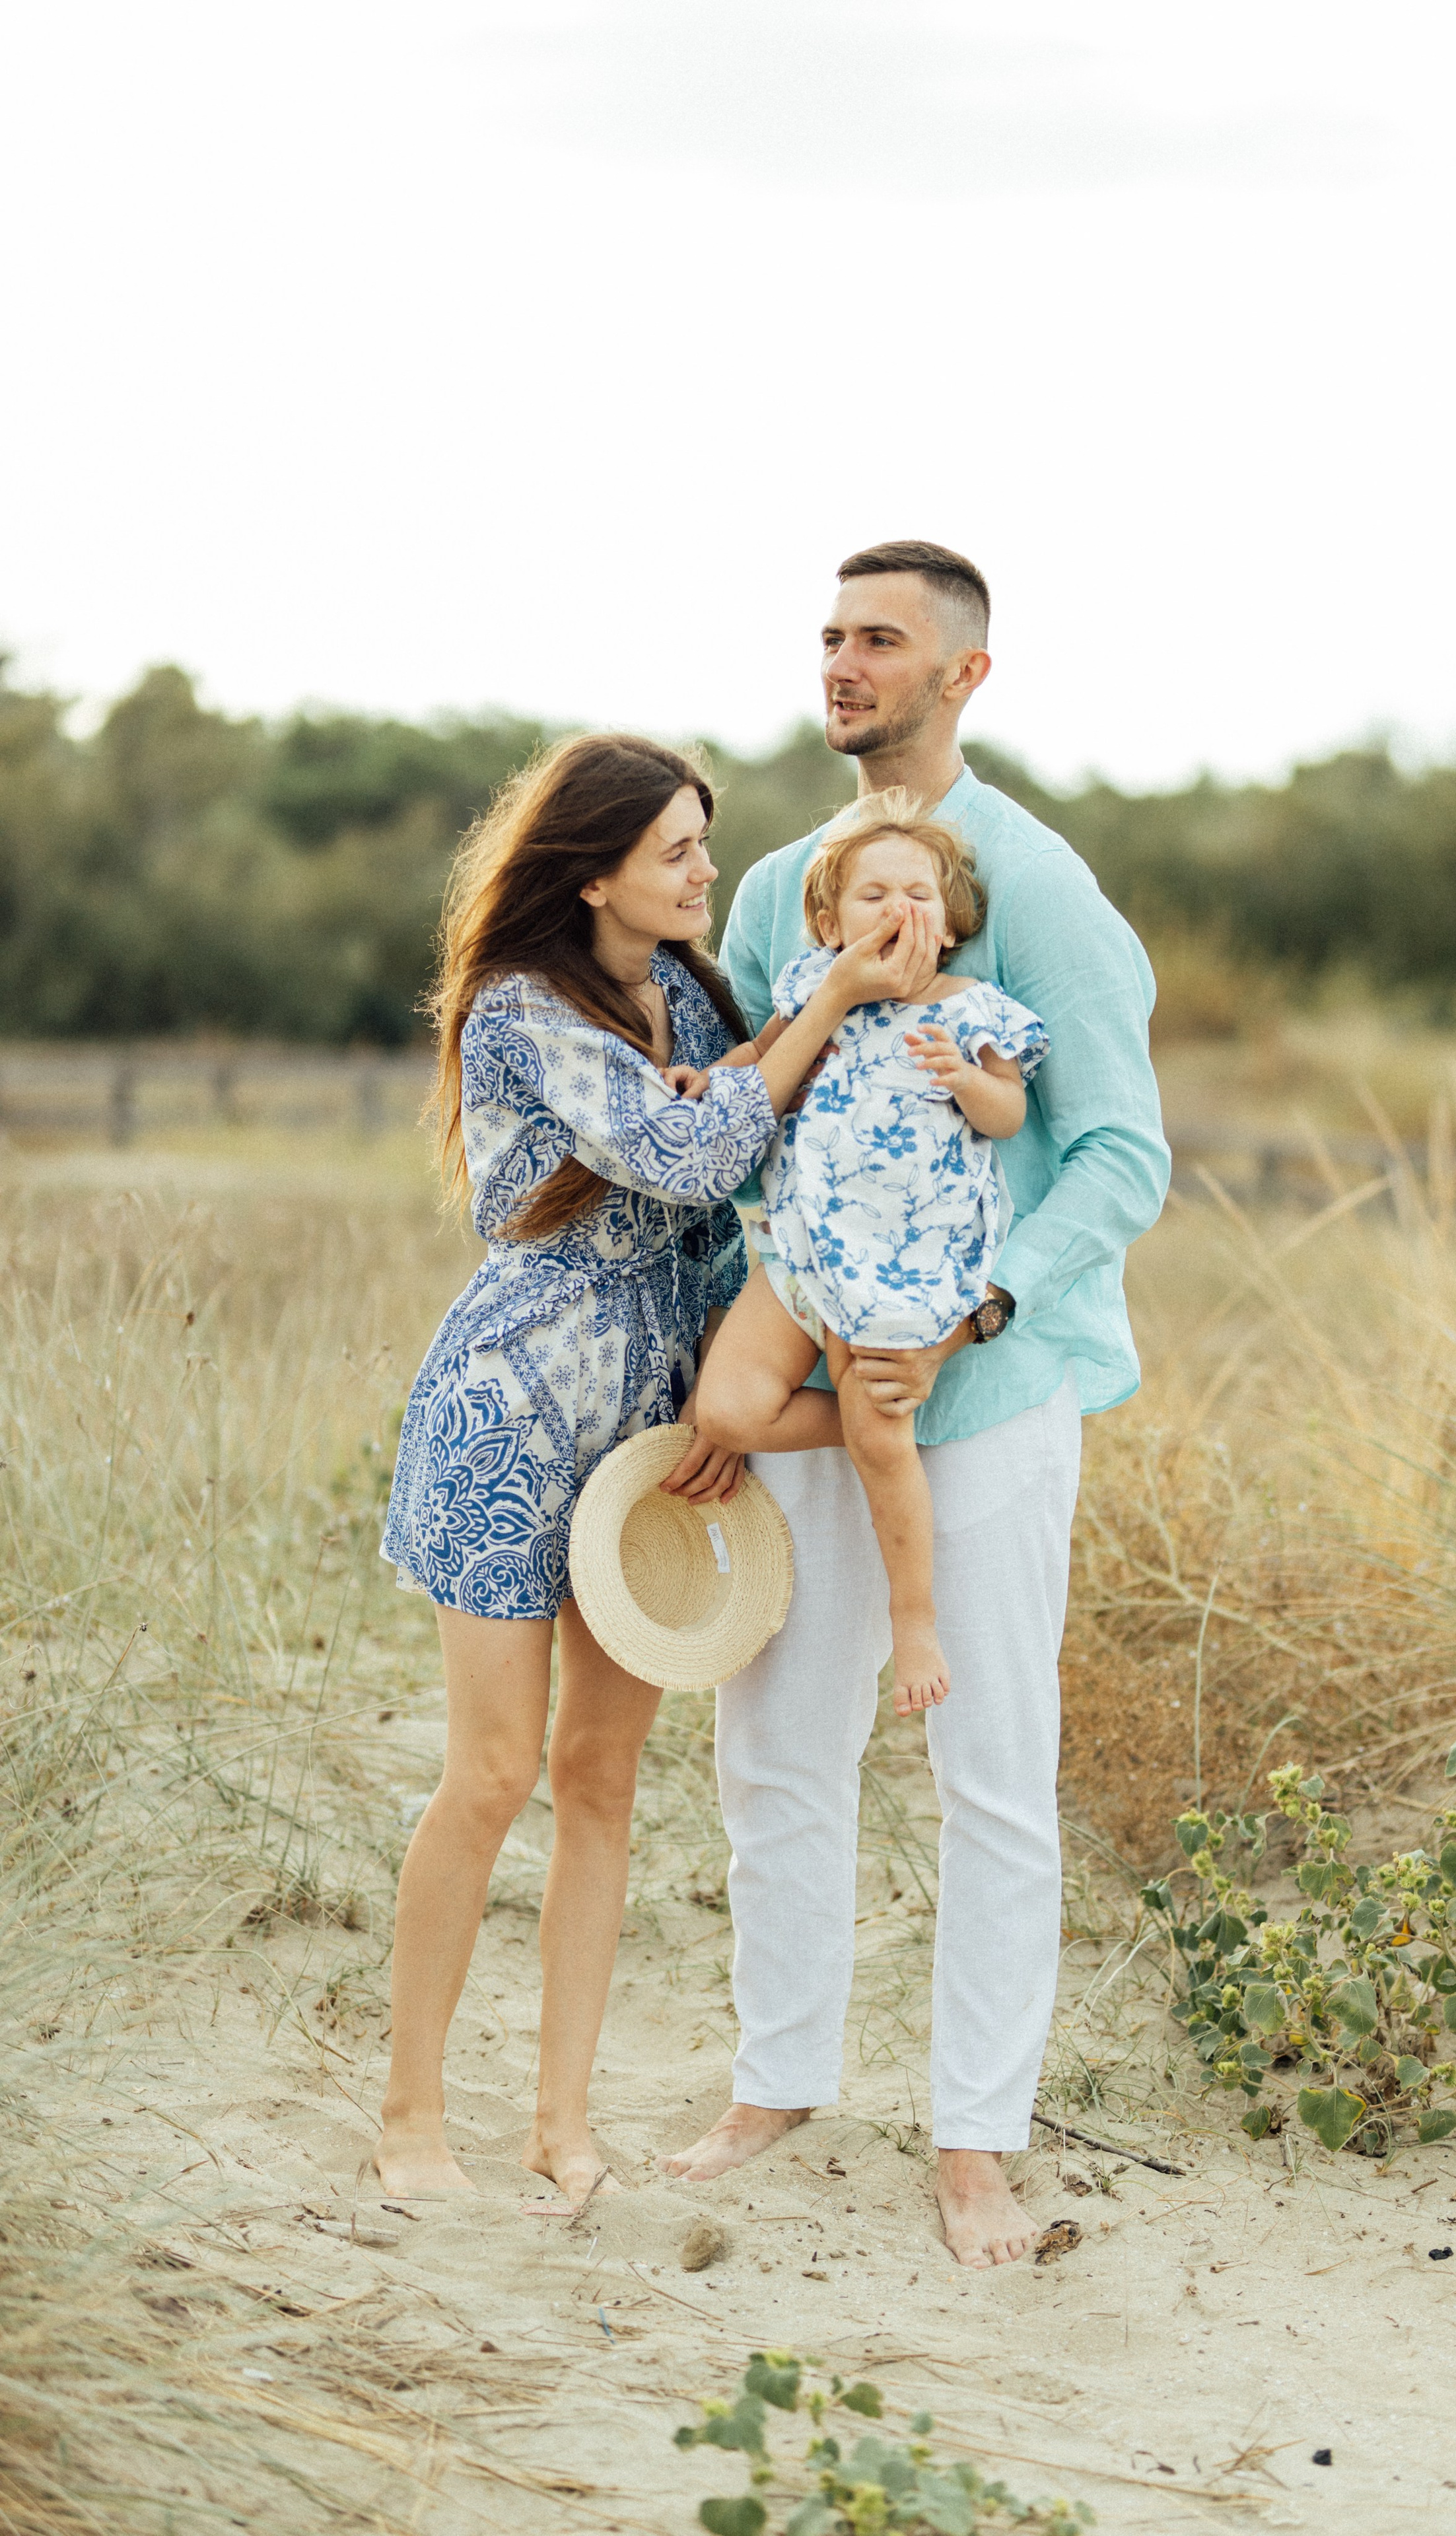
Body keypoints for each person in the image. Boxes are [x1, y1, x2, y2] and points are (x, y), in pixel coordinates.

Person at [662, 542, 1170, 2267]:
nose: (842, 663)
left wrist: (981, 1305)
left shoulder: (1041, 888)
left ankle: (975, 2144)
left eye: (879, 639)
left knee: (991, 1766)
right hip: (812, 1363)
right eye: (828, 636)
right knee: (777, 1742)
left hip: (998, 1380)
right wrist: (752, 1338)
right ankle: (778, 2079)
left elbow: (1119, 1150)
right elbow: (745, 1125)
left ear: (966, 673)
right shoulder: (783, 891)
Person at [374, 731, 923, 2206]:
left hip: (646, 1439)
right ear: (594, 869)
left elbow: (749, 1132)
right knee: (489, 1777)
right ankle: (410, 2117)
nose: (701, 870)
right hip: (507, 1424)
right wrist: (821, 1012)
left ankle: (562, 2123)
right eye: (676, 849)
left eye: (703, 841)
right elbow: (682, 1156)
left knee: (599, 1776)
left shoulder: (682, 992)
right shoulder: (513, 1011)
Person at [684, 791, 1047, 1716]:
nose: (899, 911)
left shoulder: (976, 1012)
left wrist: (969, 1081)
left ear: (953, 918)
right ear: (829, 921)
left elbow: (1009, 1114)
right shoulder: (815, 988)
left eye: (919, 894)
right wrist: (707, 1082)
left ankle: (914, 1617)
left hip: (904, 1262)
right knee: (723, 1413)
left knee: (881, 1438)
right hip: (802, 1245)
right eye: (874, 894)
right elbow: (765, 1057)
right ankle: (859, 1417)